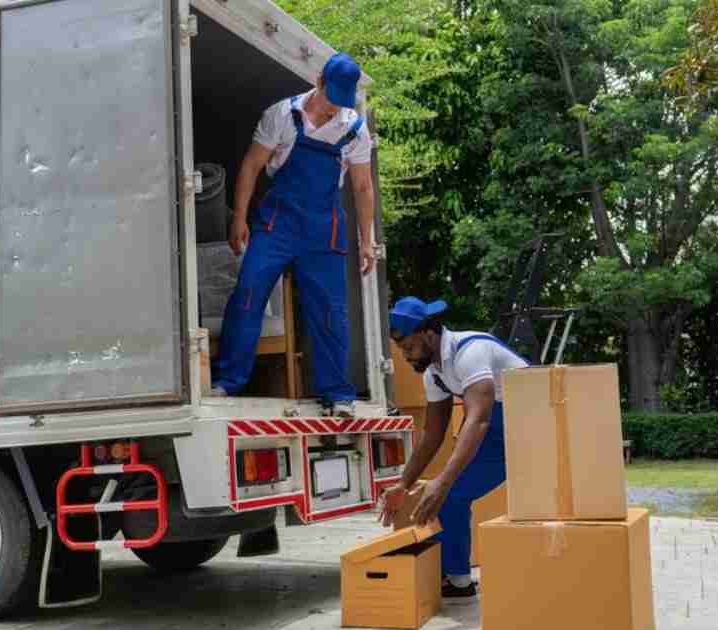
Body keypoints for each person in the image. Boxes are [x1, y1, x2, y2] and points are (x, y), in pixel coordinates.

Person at [208, 52, 377, 417]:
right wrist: (240, 218)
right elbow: (252, 165)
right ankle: (228, 381)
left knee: (331, 310)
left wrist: (368, 240)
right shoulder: (281, 115)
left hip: (323, 230)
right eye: (332, 99)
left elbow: (363, 188)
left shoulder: (354, 128)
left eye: (343, 102)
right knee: (249, 293)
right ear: (319, 82)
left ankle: (337, 392)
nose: (336, 110)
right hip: (277, 225)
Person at [379, 297, 528, 598]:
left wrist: (442, 480)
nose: (406, 357)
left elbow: (478, 419)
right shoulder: (434, 373)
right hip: (498, 433)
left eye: (408, 348)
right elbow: (433, 434)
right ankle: (459, 580)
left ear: (429, 335)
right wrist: (403, 483)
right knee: (452, 498)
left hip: (535, 425)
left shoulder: (470, 351)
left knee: (449, 490)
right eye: (401, 350)